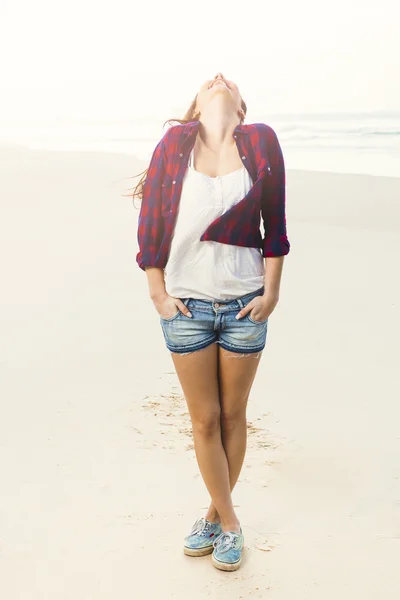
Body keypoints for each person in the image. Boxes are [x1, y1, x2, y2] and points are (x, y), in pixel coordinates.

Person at [132, 72, 290, 571]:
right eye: (207, 81)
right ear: (197, 105)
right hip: (188, 307)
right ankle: (232, 522)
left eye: (228, 81)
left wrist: (272, 291)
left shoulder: (260, 142)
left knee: (231, 415)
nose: (218, 78)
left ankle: (214, 517)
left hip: (245, 304)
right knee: (204, 419)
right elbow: (152, 220)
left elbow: (275, 224)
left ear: (241, 107)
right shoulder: (175, 145)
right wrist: (156, 290)